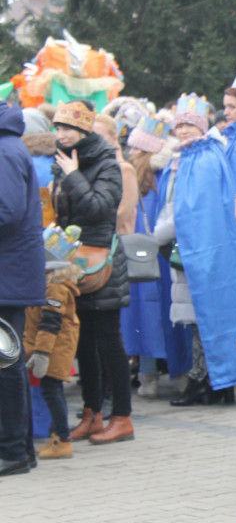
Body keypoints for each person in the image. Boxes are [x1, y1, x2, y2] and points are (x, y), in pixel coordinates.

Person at [155, 94, 236, 406]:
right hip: (196, 248)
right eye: (179, 125)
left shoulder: (202, 157)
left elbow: (188, 208)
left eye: (189, 125)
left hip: (200, 250)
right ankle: (212, 382)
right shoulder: (188, 155)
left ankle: (207, 382)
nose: (183, 131)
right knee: (203, 318)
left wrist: (158, 233)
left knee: (206, 316)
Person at [51, 101, 134, 445]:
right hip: (72, 259)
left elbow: (100, 209)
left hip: (102, 261)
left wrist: (72, 177)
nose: (63, 134)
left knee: (109, 342)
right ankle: (92, 414)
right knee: (81, 341)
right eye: (58, 127)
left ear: (85, 130)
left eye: (69, 128)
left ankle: (122, 417)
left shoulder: (106, 163)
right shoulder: (64, 158)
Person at [0, 100, 45, 476]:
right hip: (9, 274)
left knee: (5, 365)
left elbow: (7, 210)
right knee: (7, 364)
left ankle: (13, 451)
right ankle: (20, 449)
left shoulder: (3, 148)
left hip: (6, 277)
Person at [123, 115, 174, 398]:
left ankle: (147, 376)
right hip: (163, 253)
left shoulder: (133, 175)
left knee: (143, 315)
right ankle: (177, 373)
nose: (131, 152)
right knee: (163, 312)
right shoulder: (166, 175)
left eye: (136, 148)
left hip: (138, 253)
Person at [24, 224, 83, 459]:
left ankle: (63, 440)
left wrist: (42, 353)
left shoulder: (54, 287)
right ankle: (55, 437)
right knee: (51, 391)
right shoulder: (50, 284)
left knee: (52, 391)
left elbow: (50, 323)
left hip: (55, 348)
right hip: (50, 347)